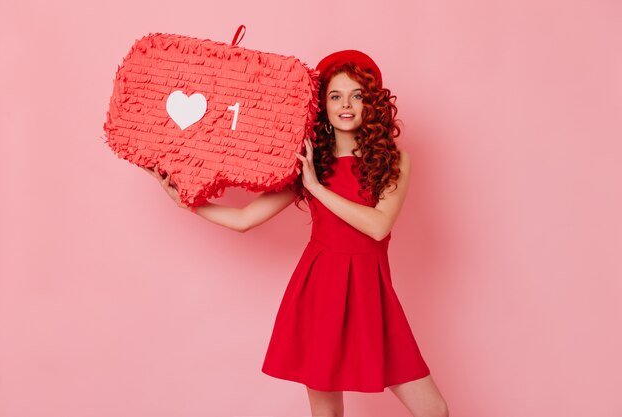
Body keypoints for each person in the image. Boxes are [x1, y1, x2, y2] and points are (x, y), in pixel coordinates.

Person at [142, 50, 449, 417]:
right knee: (327, 414)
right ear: (322, 105)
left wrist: (317, 188)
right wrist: (188, 203)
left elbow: (379, 225)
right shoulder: (308, 162)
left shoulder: (393, 160)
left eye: (357, 95)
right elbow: (246, 218)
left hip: (373, 293)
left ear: (372, 103)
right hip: (320, 292)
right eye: (335, 96)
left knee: (433, 409)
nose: (346, 105)